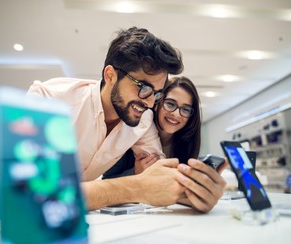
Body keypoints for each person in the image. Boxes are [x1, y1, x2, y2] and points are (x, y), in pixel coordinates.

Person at [28, 26, 226, 212]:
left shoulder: (144, 120)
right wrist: (136, 186)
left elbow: (160, 179)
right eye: (143, 87)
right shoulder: (49, 100)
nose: (149, 102)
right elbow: (34, 195)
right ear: (111, 75)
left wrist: (198, 192)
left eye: (157, 93)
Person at [103, 76, 202, 178]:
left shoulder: (186, 145)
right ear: (156, 103)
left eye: (186, 109)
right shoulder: (132, 134)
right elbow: (105, 183)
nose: (176, 114)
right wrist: (135, 173)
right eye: (170, 104)